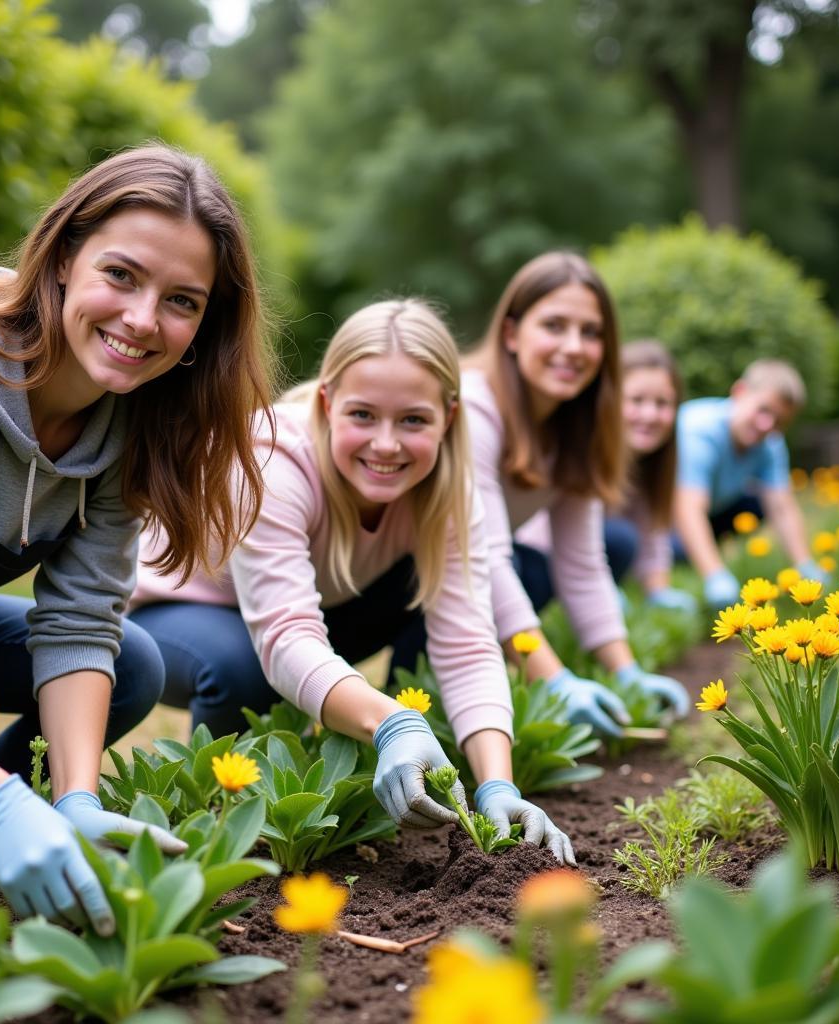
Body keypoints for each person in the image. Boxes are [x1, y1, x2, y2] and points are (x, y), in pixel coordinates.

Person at [0, 144, 275, 933]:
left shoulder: (124, 416)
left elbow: (80, 621)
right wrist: (0, 797)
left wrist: (75, 798)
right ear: (66, 256)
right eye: (122, 275)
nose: (143, 321)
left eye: (182, 300)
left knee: (132, 662)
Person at [130, 299, 574, 863]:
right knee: (239, 669)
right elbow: (287, 634)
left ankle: (331, 772)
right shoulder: (272, 460)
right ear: (327, 402)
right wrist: (392, 722)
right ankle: (227, 809)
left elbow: (467, 643)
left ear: (450, 418)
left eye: (413, 420)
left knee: (412, 603)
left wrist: (498, 785)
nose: (386, 444)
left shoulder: (449, 491)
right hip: (176, 614)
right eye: (363, 415)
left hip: (308, 610)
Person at [459, 252, 690, 740]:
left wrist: (626, 671)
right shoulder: (474, 407)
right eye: (554, 326)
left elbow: (582, 565)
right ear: (511, 333)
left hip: (447, 583)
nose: (574, 346)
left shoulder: (575, 430)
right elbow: (484, 560)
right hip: (369, 587)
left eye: (591, 332)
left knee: (534, 572)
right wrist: (556, 680)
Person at [516, 340, 696, 614]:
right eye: (637, 401)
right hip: (540, 558)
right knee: (622, 538)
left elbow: (652, 530)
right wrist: (592, 588)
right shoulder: (583, 451)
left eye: (662, 404)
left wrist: (658, 591)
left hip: (592, 555)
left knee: (669, 544)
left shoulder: (652, 463)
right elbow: (545, 532)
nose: (650, 415)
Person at [673, 358, 824, 610]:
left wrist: (805, 565)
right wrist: (714, 575)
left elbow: (782, 507)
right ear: (740, 392)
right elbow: (688, 508)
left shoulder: (770, 442)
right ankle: (696, 560)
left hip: (713, 507)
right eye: (764, 410)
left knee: (756, 504)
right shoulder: (699, 431)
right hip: (668, 514)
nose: (767, 426)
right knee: (678, 552)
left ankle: (703, 551)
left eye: (779, 421)